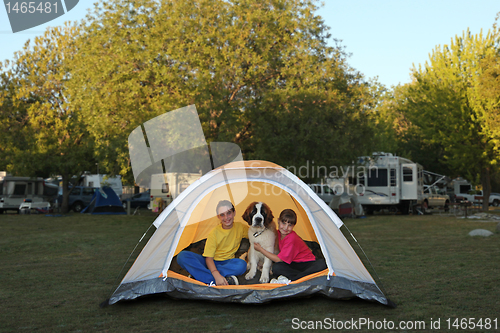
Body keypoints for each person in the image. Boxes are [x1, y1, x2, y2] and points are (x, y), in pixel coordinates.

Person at [176, 200, 248, 286]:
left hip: (227, 263)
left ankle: (201, 277)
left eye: (229, 213)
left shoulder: (240, 227)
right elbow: (208, 259)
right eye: (222, 215)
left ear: (234, 213)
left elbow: (255, 234)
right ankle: (220, 279)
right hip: (210, 262)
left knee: (242, 264)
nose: (226, 217)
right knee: (182, 256)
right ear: (218, 216)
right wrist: (216, 274)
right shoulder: (214, 233)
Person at [253, 208, 327, 283]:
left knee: (322, 264)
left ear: (294, 226)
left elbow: (279, 259)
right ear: (278, 221)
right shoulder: (277, 233)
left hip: (306, 263)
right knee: (277, 267)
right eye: (284, 223)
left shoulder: (291, 238)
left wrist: (261, 249)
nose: (286, 228)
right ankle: (301, 278)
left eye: (290, 225)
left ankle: (296, 279)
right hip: (292, 263)